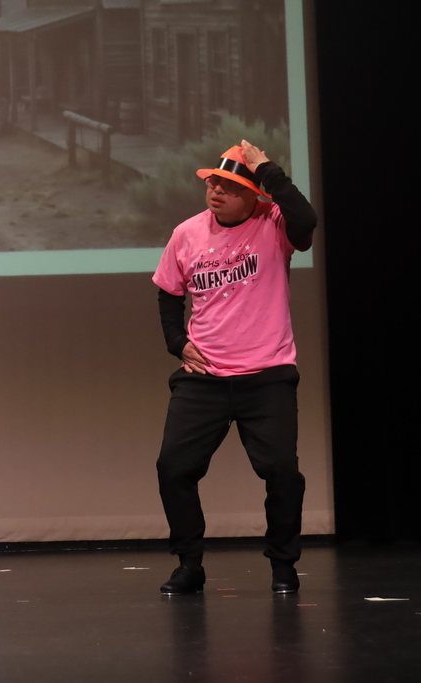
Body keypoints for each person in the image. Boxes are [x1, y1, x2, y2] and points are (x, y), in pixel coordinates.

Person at [152, 141, 317, 595]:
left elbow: (307, 220)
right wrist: (177, 343)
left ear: (254, 195)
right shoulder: (187, 233)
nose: (216, 191)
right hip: (204, 378)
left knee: (283, 471)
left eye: (229, 186)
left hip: (267, 376)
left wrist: (267, 169)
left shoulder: (274, 224)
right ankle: (189, 564)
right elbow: (169, 292)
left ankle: (283, 565)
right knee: (174, 468)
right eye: (213, 183)